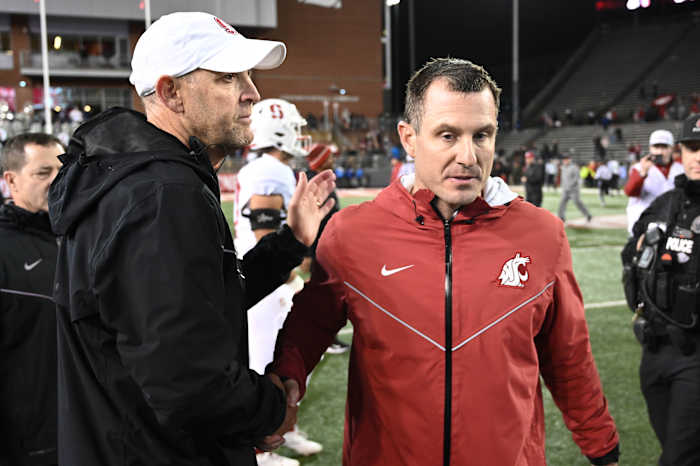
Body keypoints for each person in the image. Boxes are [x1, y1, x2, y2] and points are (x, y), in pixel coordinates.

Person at [271, 58, 620, 466]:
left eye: (482, 135)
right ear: (409, 137)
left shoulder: (543, 235)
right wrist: (287, 378)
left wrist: (601, 446)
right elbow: (310, 324)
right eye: (448, 135)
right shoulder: (353, 234)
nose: (468, 156)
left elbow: (568, 356)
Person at [46, 12, 335, 466]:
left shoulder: (134, 179)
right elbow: (186, 383)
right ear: (170, 92)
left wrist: (290, 241)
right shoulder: (162, 194)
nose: (252, 92)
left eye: (247, 75)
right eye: (227, 77)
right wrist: (273, 409)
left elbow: (202, 304)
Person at [234, 98, 322, 465]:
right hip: (265, 285)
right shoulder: (268, 171)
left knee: (278, 362)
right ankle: (262, 454)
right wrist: (291, 274)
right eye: (294, 128)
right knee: (266, 365)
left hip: (266, 282)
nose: (299, 135)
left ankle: (284, 433)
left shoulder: (266, 167)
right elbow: (264, 233)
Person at [621, 113, 700, 466]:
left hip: (695, 354)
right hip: (653, 351)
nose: (697, 157)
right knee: (673, 446)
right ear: (681, 152)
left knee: (677, 458)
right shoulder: (665, 203)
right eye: (692, 148)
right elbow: (630, 252)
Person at [0, 133, 63, 466]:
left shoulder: (81, 239)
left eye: (61, 170)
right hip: (29, 443)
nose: (58, 181)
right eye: (43, 173)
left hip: (90, 431)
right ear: (12, 180)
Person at [624, 129, 684, 235]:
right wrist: (643, 173)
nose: (660, 151)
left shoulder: (681, 168)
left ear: (672, 149)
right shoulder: (638, 168)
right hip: (643, 226)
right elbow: (630, 192)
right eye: (656, 147)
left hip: (671, 226)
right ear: (650, 148)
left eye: (664, 147)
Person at [557, 153, 592, 223]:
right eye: (564, 160)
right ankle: (561, 217)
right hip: (565, 190)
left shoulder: (574, 167)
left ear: (569, 160)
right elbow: (563, 178)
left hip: (573, 190)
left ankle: (588, 215)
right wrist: (563, 186)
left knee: (577, 203)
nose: (565, 161)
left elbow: (576, 178)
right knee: (562, 203)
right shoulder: (563, 167)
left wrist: (570, 185)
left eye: (566, 159)